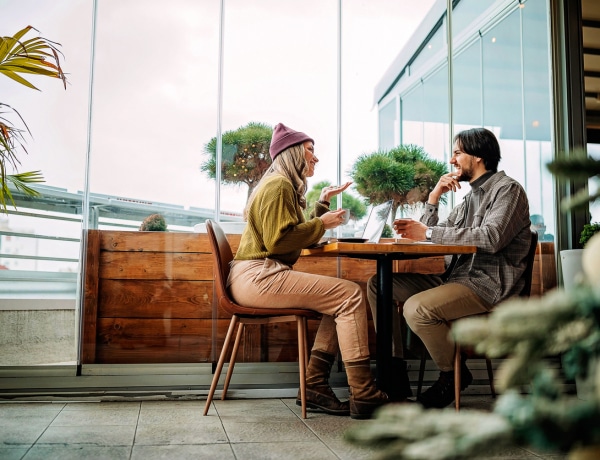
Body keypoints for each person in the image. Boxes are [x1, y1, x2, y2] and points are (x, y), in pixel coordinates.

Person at [228, 122, 389, 419]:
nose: (315, 158)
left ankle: (314, 385)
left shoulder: (278, 184)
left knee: (338, 300)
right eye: (310, 151)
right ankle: (364, 394)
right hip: (260, 275)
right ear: (292, 154)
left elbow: (289, 231)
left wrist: (321, 206)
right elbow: (280, 241)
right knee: (351, 294)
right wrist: (323, 224)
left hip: (254, 274)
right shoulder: (279, 186)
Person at [367, 127, 531, 409]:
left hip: (488, 285)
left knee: (417, 308)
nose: (452, 161)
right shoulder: (468, 199)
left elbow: (490, 238)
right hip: (455, 279)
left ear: (478, 156)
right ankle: (393, 374)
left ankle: (452, 373)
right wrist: (433, 196)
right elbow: (430, 234)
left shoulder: (508, 190)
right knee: (379, 284)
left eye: (457, 153)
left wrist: (428, 234)